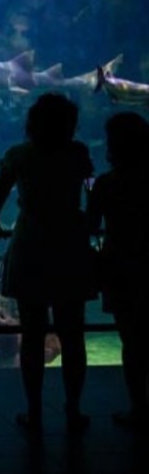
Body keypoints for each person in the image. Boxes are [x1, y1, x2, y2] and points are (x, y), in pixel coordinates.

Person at [0, 93, 94, 433]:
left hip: (31, 241)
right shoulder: (77, 153)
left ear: (31, 123)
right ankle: (73, 409)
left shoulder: (19, 155)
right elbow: (89, 191)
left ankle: (34, 410)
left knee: (32, 334)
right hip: (69, 243)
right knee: (72, 333)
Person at [86, 110, 149, 428]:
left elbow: (90, 224)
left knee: (133, 341)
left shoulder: (108, 184)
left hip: (121, 266)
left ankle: (140, 408)